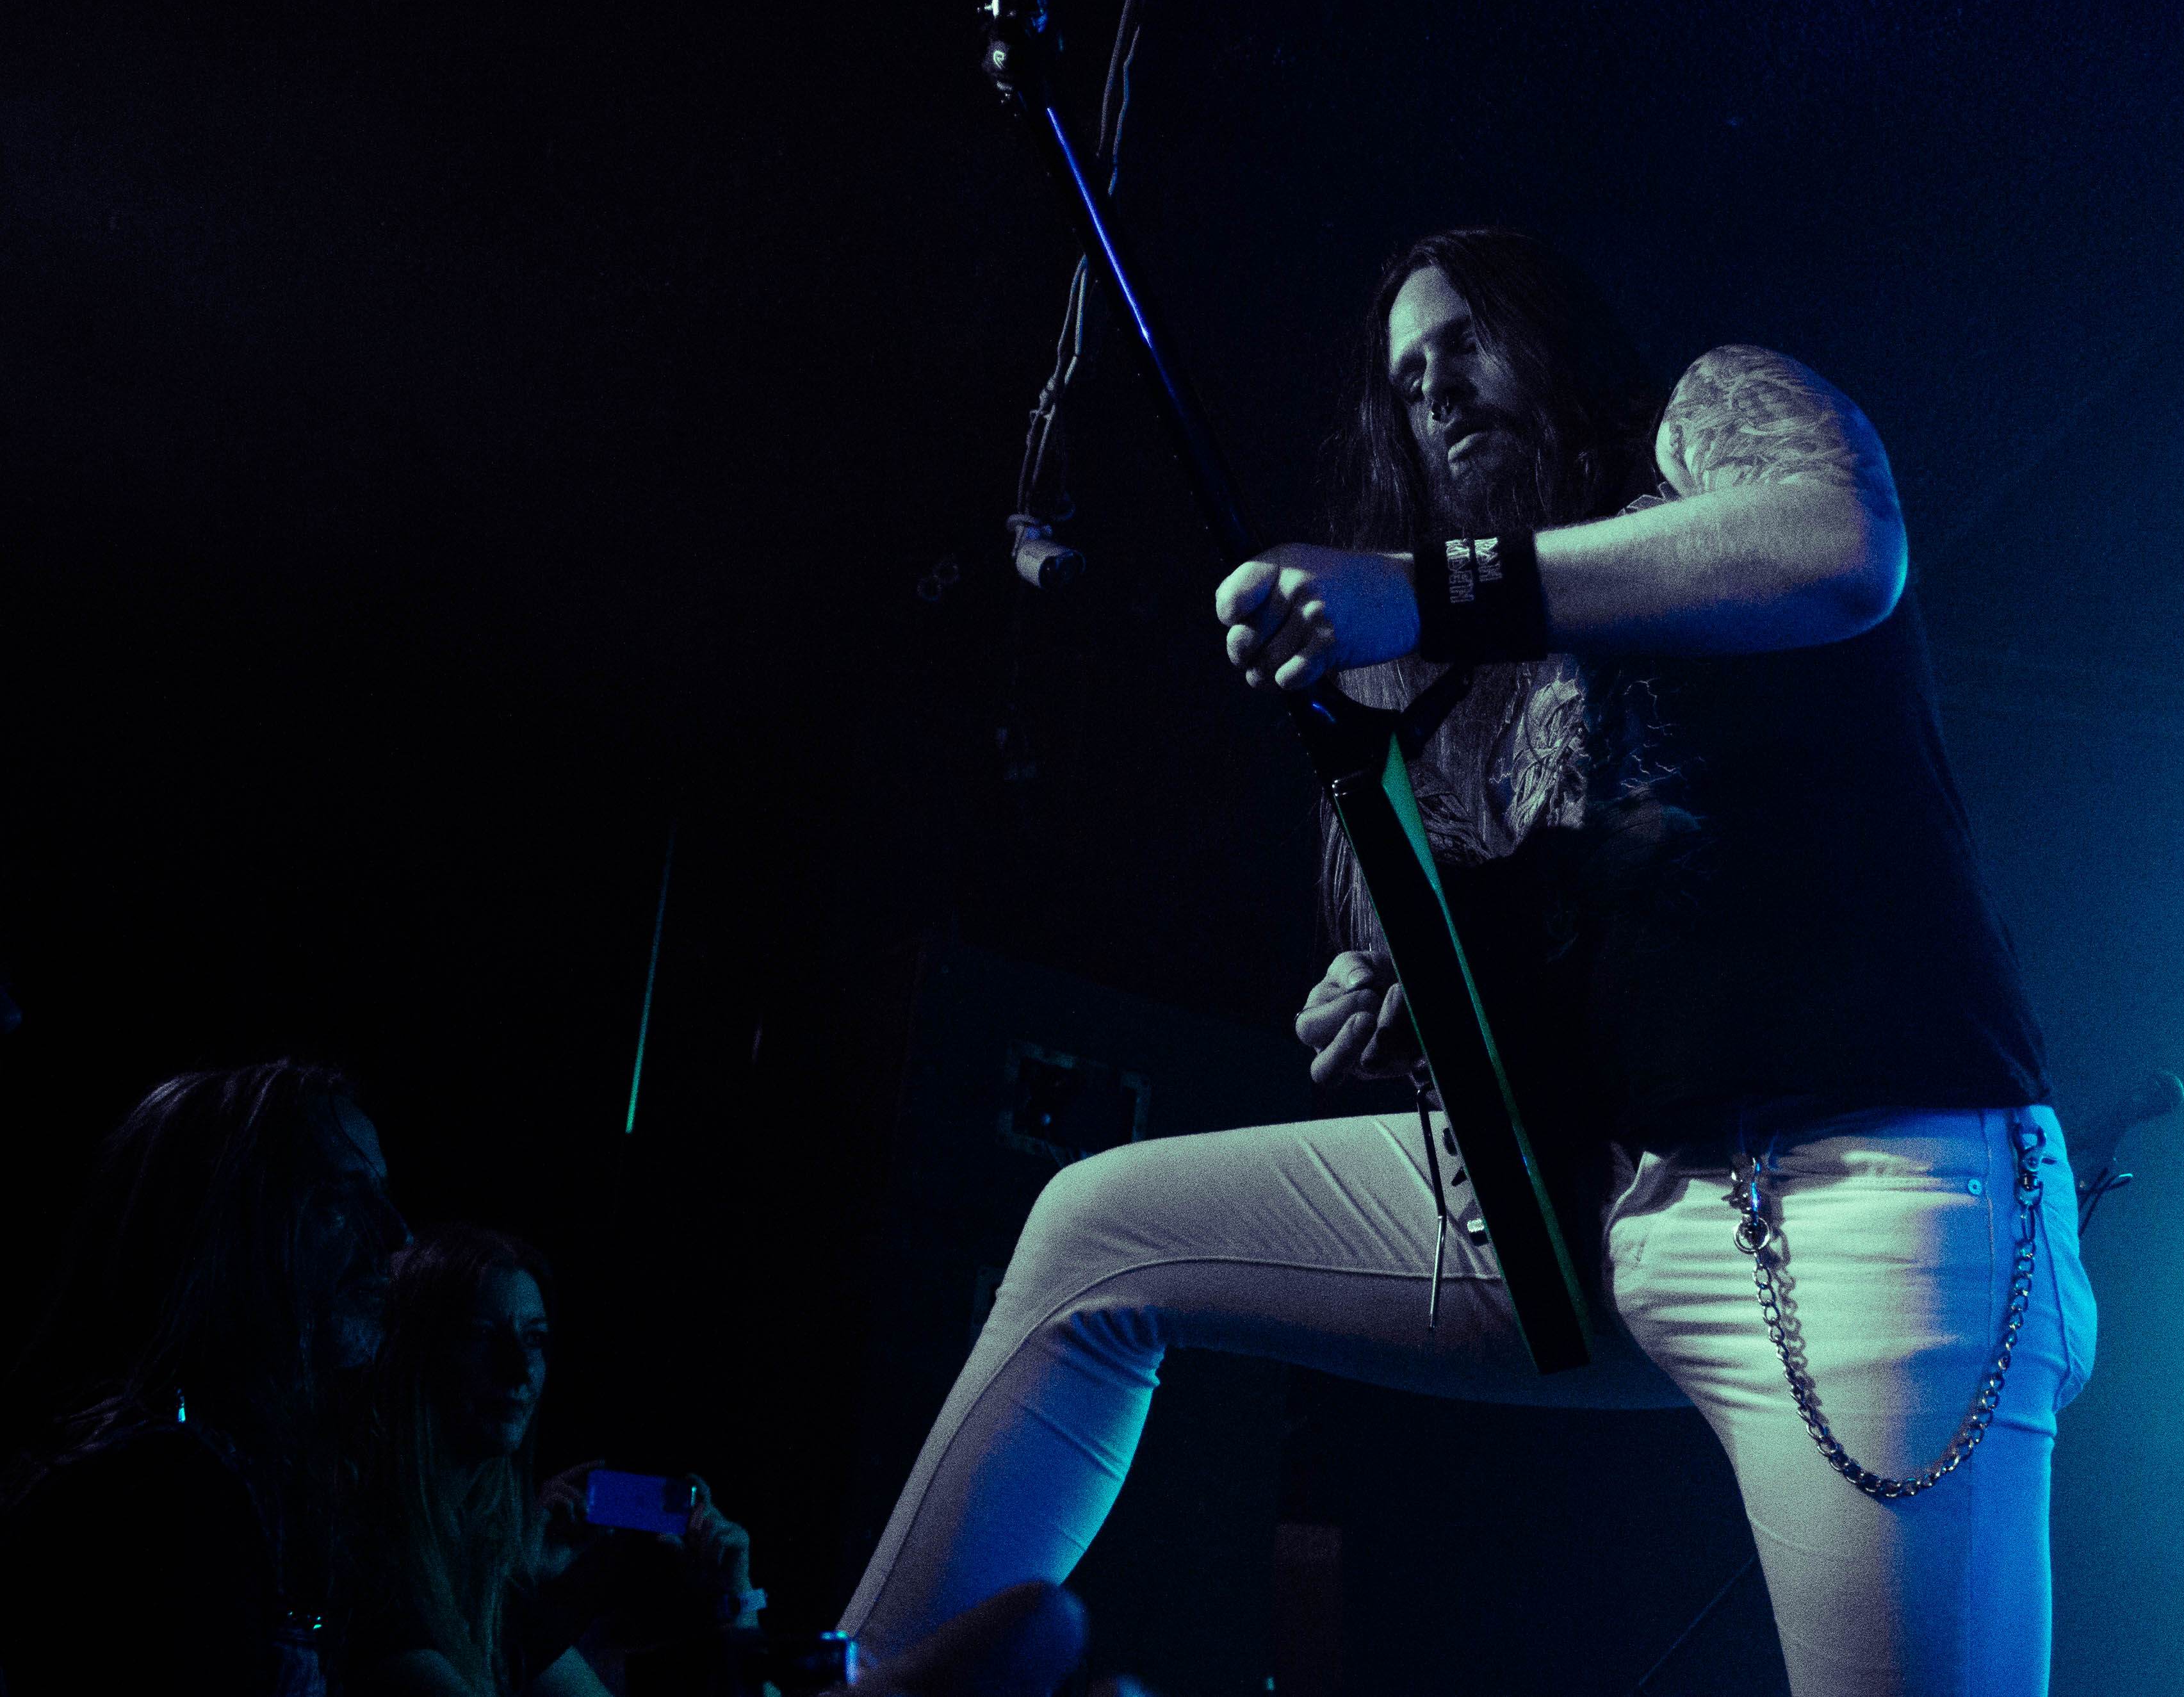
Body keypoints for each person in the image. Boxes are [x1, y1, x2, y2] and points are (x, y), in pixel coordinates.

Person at [844, 229, 2096, 1697]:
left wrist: (1422, 587)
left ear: (1553, 337)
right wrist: (1412, 1011)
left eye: (1465, 339)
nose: (1437, 386)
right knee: (1093, 1235)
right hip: (1589, 1209)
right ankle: (865, 1676)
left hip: (1864, 1196)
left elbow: (1837, 547)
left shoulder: (1704, 422)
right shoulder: (1462, 687)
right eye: (1408, 375)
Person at [0, 1060, 406, 1696]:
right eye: (335, 1200)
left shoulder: (225, 1468)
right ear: (221, 1229)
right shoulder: (159, 1490)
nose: (394, 1234)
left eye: (380, 1195)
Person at [350, 1225, 762, 1697]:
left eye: (536, 1338)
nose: (521, 1368)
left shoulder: (486, 1583)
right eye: (483, 1335)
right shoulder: (365, 1567)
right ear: (415, 1351)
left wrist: (736, 1603)